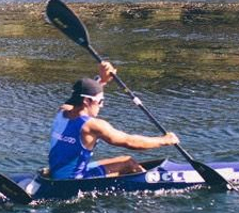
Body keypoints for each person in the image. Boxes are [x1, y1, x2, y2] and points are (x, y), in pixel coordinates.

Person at [47, 66, 178, 180]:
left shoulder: (62, 111)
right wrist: (165, 140)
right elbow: (130, 142)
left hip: (57, 174)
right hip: (74, 180)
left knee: (122, 160)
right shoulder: (92, 126)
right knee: (129, 163)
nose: (102, 105)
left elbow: (84, 94)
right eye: (100, 101)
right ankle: (153, 188)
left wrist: (102, 80)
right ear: (87, 101)